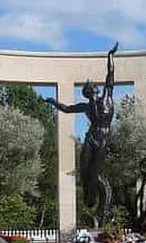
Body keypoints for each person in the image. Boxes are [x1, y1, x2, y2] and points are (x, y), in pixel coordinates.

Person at [45, 42, 118, 225]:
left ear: (96, 89)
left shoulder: (107, 97)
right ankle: (89, 196)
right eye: (87, 91)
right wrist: (53, 102)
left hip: (103, 140)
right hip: (91, 138)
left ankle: (102, 211)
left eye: (91, 89)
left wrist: (110, 56)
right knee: (84, 169)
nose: (89, 91)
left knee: (96, 174)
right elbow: (67, 108)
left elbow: (110, 75)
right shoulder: (86, 106)